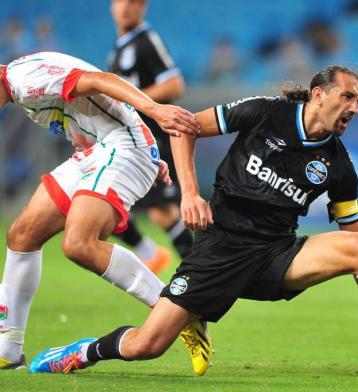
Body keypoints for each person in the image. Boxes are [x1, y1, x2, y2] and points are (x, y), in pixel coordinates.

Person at [30, 66, 358, 375]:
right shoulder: (265, 112)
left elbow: (352, 235)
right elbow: (185, 128)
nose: (355, 107)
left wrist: (356, 265)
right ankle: (82, 352)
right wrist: (189, 193)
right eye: (347, 97)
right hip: (220, 249)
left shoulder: (339, 166)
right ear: (318, 94)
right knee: (147, 345)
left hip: (275, 256)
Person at [0, 51, 212, 375]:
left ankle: (179, 312)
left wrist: (152, 118)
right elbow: (91, 107)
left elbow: (101, 80)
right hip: (100, 150)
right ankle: (8, 350)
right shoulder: (19, 89)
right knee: (22, 234)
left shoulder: (25, 79)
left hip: (122, 148)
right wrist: (150, 154)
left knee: (79, 243)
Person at [108, 0, 194, 273]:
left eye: (133, 1)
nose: (125, 7)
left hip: (153, 140)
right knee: (112, 204)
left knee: (164, 211)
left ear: (143, 6)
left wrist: (135, 101)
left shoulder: (146, 41)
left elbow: (174, 83)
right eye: (120, 1)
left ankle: (200, 270)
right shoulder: (119, 49)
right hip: (125, 140)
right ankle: (156, 256)